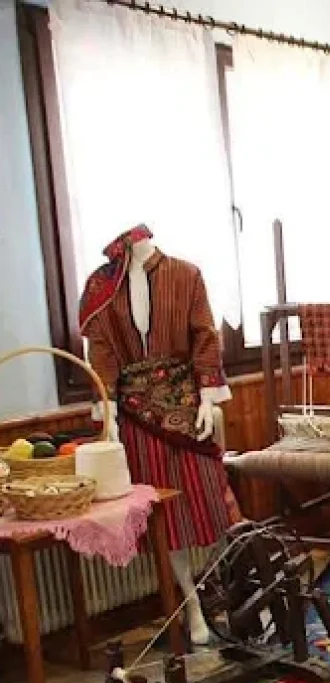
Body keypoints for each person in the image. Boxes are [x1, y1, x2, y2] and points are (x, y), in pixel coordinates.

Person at [80, 225, 240, 645]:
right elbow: (101, 352)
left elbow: (205, 336)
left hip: (188, 411)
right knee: (165, 520)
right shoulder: (102, 286)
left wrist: (208, 397)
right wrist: (108, 413)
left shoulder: (186, 275)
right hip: (135, 417)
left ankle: (229, 590)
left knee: (211, 502)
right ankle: (191, 603)